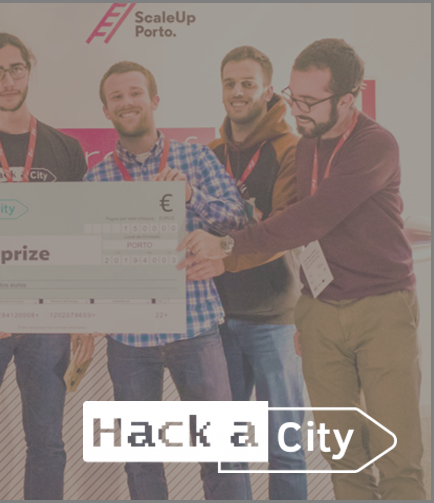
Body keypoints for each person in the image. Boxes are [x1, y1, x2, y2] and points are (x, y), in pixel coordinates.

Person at [179, 38, 424, 500]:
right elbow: (311, 238)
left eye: (310, 101)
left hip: (380, 308)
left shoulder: (375, 144)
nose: (296, 109)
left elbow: (310, 219)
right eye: (294, 96)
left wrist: (227, 246)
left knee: (396, 455)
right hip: (320, 311)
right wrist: (310, 311)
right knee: (342, 455)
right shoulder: (308, 144)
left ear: (347, 100)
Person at [84, 60, 250, 500]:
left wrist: (191, 195)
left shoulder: (195, 158)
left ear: (154, 100)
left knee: (222, 451)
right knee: (140, 459)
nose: (127, 102)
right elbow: (85, 260)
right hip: (128, 339)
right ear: (106, 111)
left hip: (195, 328)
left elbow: (239, 220)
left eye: (135, 93)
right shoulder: (96, 178)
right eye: (117, 97)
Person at [0, 32, 91, 500]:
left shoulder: (65, 149)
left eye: (15, 69)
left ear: (29, 70)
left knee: (48, 443)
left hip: (46, 320)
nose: (7, 81)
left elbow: (77, 237)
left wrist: (78, 312)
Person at [201, 46, 307, 499]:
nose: (237, 92)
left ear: (267, 90)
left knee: (285, 446)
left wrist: (224, 255)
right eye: (230, 84)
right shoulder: (209, 154)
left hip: (274, 317)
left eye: (248, 83)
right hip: (215, 319)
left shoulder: (290, 149)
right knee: (223, 449)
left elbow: (282, 230)